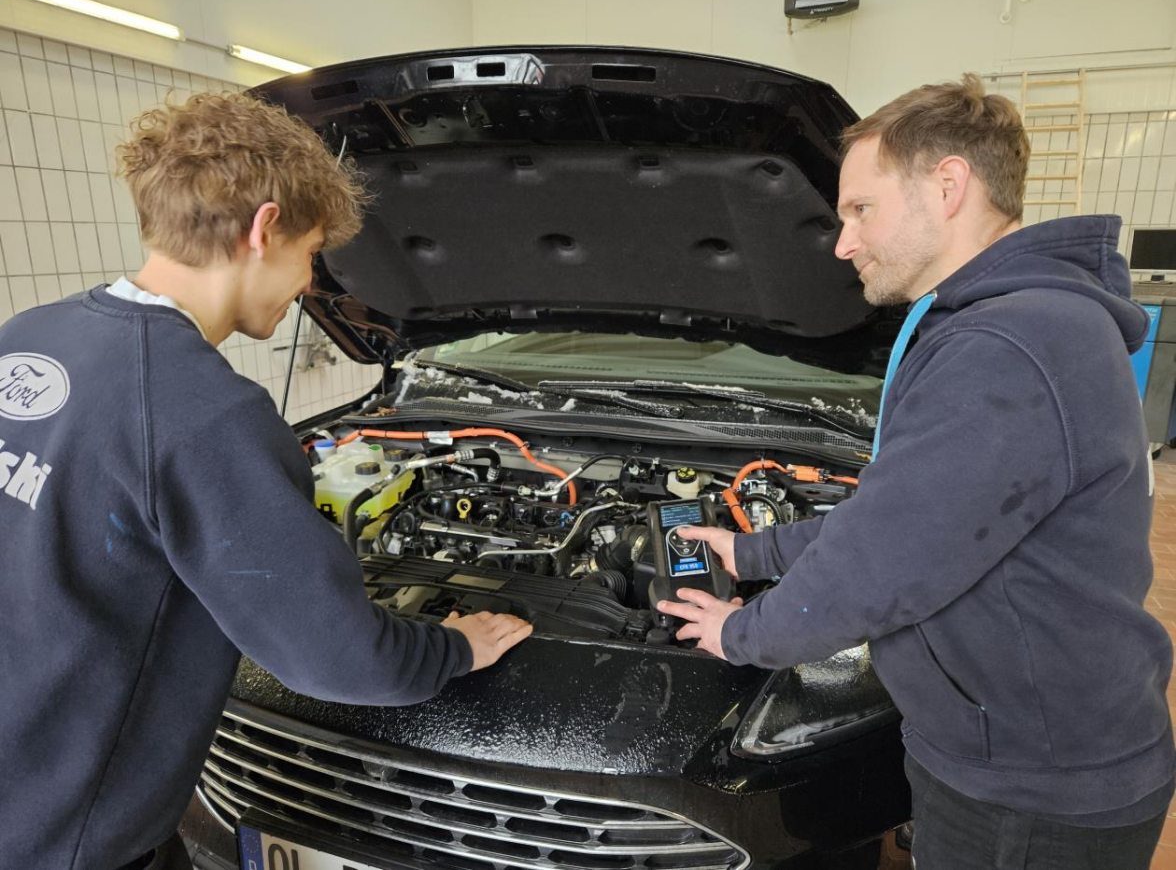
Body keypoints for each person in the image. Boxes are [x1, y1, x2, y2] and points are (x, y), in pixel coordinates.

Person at [0, 92, 532, 870]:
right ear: (263, 229)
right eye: (310, 252)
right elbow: (338, 660)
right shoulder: (206, 412)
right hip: (68, 834)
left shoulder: (29, 337)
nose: (309, 284)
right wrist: (455, 646)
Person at [659, 74, 1175, 868]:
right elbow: (907, 521)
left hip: (1030, 795)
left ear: (948, 186)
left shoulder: (1006, 347)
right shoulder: (1025, 323)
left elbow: (875, 568)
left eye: (860, 208)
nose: (842, 242)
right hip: (1019, 749)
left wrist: (741, 632)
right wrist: (750, 554)